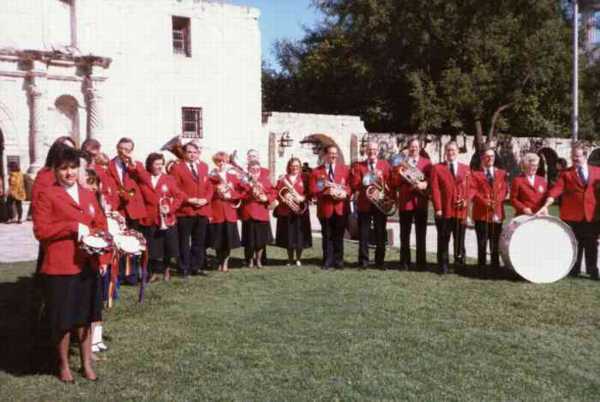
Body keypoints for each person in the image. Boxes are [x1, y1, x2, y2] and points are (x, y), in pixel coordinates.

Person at [33, 147, 107, 383]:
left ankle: (86, 363)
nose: (69, 173)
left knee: (85, 317)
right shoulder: (47, 194)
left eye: (73, 168)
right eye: (63, 168)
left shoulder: (87, 194)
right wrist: (71, 227)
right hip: (61, 267)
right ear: (54, 171)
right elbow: (41, 231)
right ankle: (63, 364)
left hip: (87, 265)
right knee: (63, 319)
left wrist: (101, 245)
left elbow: (100, 225)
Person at [539, 143, 600, 280]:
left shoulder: (597, 171)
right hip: (572, 216)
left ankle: (592, 270)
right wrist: (547, 202)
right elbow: (557, 189)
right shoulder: (566, 173)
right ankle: (573, 269)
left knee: (591, 243)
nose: (574, 159)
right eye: (573, 156)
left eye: (577, 156)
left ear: (585, 156)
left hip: (592, 215)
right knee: (574, 243)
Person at [138, 153, 185, 281]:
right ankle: (152, 272)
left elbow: (180, 196)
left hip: (166, 218)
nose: (159, 166)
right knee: (151, 247)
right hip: (149, 218)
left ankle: (166, 269)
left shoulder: (169, 179)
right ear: (150, 165)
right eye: (156, 164)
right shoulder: (144, 178)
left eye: (161, 164)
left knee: (168, 246)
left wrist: (170, 208)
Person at [170, 142, 213, 277]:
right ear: (184, 153)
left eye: (195, 152)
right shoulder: (176, 168)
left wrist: (206, 200)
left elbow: (209, 187)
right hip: (185, 210)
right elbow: (174, 188)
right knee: (183, 241)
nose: (192, 154)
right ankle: (183, 268)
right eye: (189, 152)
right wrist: (188, 199)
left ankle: (196, 267)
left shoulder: (204, 166)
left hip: (202, 210)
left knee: (199, 241)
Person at [390, 138, 431, 270]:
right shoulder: (401, 163)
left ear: (420, 148)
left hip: (420, 202)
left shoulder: (427, 163)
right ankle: (404, 263)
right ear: (408, 148)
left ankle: (421, 263)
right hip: (405, 202)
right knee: (404, 234)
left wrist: (424, 184)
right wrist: (401, 176)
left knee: (421, 234)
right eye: (411, 147)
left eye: (416, 147)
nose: (414, 149)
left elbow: (431, 180)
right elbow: (394, 183)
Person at [349, 140, 391, 269]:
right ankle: (363, 262)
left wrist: (384, 194)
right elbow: (355, 185)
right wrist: (367, 179)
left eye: (374, 150)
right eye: (369, 150)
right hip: (364, 204)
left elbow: (390, 184)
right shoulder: (359, 166)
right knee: (363, 234)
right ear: (366, 152)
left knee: (380, 233)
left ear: (378, 151)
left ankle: (380, 262)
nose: (372, 152)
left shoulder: (384, 165)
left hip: (380, 204)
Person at [430, 141, 470, 275]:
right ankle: (443, 266)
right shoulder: (437, 168)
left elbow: (471, 188)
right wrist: (438, 209)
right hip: (444, 211)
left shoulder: (466, 169)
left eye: (453, 150)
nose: (451, 153)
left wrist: (466, 201)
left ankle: (460, 266)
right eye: (448, 150)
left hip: (460, 211)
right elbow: (434, 189)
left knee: (459, 240)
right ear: (445, 152)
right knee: (443, 239)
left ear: (457, 152)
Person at [309, 145, 350, 270]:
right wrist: (326, 192)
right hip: (325, 208)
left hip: (340, 207)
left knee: (339, 236)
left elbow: (349, 186)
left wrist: (345, 193)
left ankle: (339, 261)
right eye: (331, 153)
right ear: (325, 155)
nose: (333, 156)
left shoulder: (344, 169)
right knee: (327, 236)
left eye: (335, 153)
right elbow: (313, 189)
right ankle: (327, 260)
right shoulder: (317, 172)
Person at [470, 147, 508, 278]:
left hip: (497, 212)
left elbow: (504, 190)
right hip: (481, 212)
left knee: (495, 242)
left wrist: (497, 201)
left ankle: (495, 268)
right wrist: (484, 201)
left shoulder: (502, 173)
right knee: (482, 242)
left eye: (492, 156)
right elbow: (473, 191)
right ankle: (481, 268)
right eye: (487, 156)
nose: (490, 158)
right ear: (482, 159)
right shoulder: (475, 174)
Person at [274, 157, 312, 266]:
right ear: (289, 166)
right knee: (289, 236)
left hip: (301, 211)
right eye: (292, 165)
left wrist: (303, 198)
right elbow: (277, 192)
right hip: (287, 211)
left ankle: (298, 258)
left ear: (300, 167)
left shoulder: (305, 178)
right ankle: (290, 258)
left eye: (297, 166)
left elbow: (310, 193)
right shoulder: (283, 178)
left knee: (299, 236)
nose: (295, 167)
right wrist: (284, 197)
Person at [208, 151, 242, 272]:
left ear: (227, 161)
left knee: (228, 241)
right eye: (218, 161)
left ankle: (226, 263)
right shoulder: (212, 176)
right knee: (218, 241)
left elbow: (241, 192)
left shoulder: (233, 176)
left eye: (223, 161)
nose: (221, 163)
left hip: (229, 211)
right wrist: (217, 191)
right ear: (215, 162)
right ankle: (219, 262)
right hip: (217, 211)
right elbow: (209, 195)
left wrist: (231, 196)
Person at [239, 160, 276, 268]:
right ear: (249, 170)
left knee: (261, 240)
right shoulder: (244, 181)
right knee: (249, 240)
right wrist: (251, 192)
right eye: (253, 169)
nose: (255, 171)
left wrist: (267, 198)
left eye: (257, 169)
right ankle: (250, 260)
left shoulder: (265, 180)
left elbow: (273, 192)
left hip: (261, 212)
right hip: (248, 212)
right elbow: (240, 194)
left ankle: (259, 260)